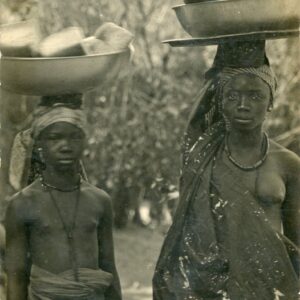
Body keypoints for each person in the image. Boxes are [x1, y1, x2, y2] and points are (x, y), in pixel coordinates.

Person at [153, 41, 300, 299]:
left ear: (270, 102)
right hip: (213, 289)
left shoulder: (288, 163)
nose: (243, 104)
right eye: (233, 96)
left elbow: (296, 241)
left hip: (269, 289)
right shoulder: (202, 158)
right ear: (220, 101)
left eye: (255, 95)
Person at [5, 97, 122, 300]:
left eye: (74, 137)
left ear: (84, 142)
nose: (65, 145)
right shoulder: (23, 204)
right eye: (55, 138)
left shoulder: (99, 200)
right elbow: (16, 277)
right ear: (39, 144)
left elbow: (108, 266)